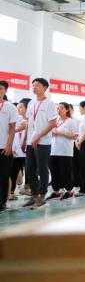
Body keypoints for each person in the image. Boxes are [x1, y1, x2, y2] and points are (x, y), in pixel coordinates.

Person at [23, 78, 57, 209]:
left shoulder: (50, 104)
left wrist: (38, 136)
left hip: (43, 142)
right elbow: (29, 122)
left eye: (37, 85)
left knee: (42, 169)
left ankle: (42, 196)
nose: (34, 87)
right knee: (29, 169)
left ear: (45, 88)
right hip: (30, 141)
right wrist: (25, 139)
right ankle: (34, 195)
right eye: (33, 85)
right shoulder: (31, 103)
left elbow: (52, 124)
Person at [49, 102, 78, 200]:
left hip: (65, 151)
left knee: (66, 171)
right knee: (54, 171)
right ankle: (56, 191)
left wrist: (61, 134)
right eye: (58, 108)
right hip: (54, 150)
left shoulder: (70, 121)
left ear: (66, 110)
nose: (59, 110)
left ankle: (69, 191)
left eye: (61, 108)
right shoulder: (55, 121)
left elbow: (75, 136)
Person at [0, 82, 19, 212]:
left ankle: (2, 201)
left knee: (3, 175)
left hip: (4, 147)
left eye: (1, 89)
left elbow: (12, 129)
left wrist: (9, 145)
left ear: (5, 91)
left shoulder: (10, 107)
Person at [9, 99, 29, 202]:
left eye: (21, 107)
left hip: (24, 151)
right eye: (18, 107)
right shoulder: (17, 119)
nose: (18, 109)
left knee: (19, 171)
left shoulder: (29, 120)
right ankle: (10, 192)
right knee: (12, 171)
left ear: (27, 108)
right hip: (15, 150)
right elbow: (13, 135)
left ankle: (17, 190)